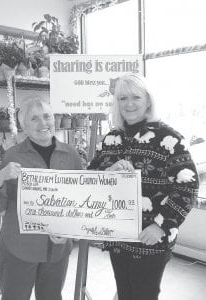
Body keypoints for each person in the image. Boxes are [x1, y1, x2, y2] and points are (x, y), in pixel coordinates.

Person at [88, 74, 199, 300]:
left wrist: (161, 226)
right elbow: (91, 178)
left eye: (136, 97)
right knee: (125, 292)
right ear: (116, 103)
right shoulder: (111, 139)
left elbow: (188, 188)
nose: (129, 104)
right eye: (123, 98)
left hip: (151, 237)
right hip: (118, 236)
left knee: (144, 295)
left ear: (148, 100)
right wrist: (107, 173)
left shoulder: (170, 138)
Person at [0, 98, 82, 300]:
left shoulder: (71, 154)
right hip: (18, 249)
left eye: (47, 116)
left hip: (57, 251)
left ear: (54, 119)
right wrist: (0, 178)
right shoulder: (12, 156)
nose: (43, 123)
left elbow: (79, 202)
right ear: (24, 126)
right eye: (34, 119)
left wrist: (70, 231)